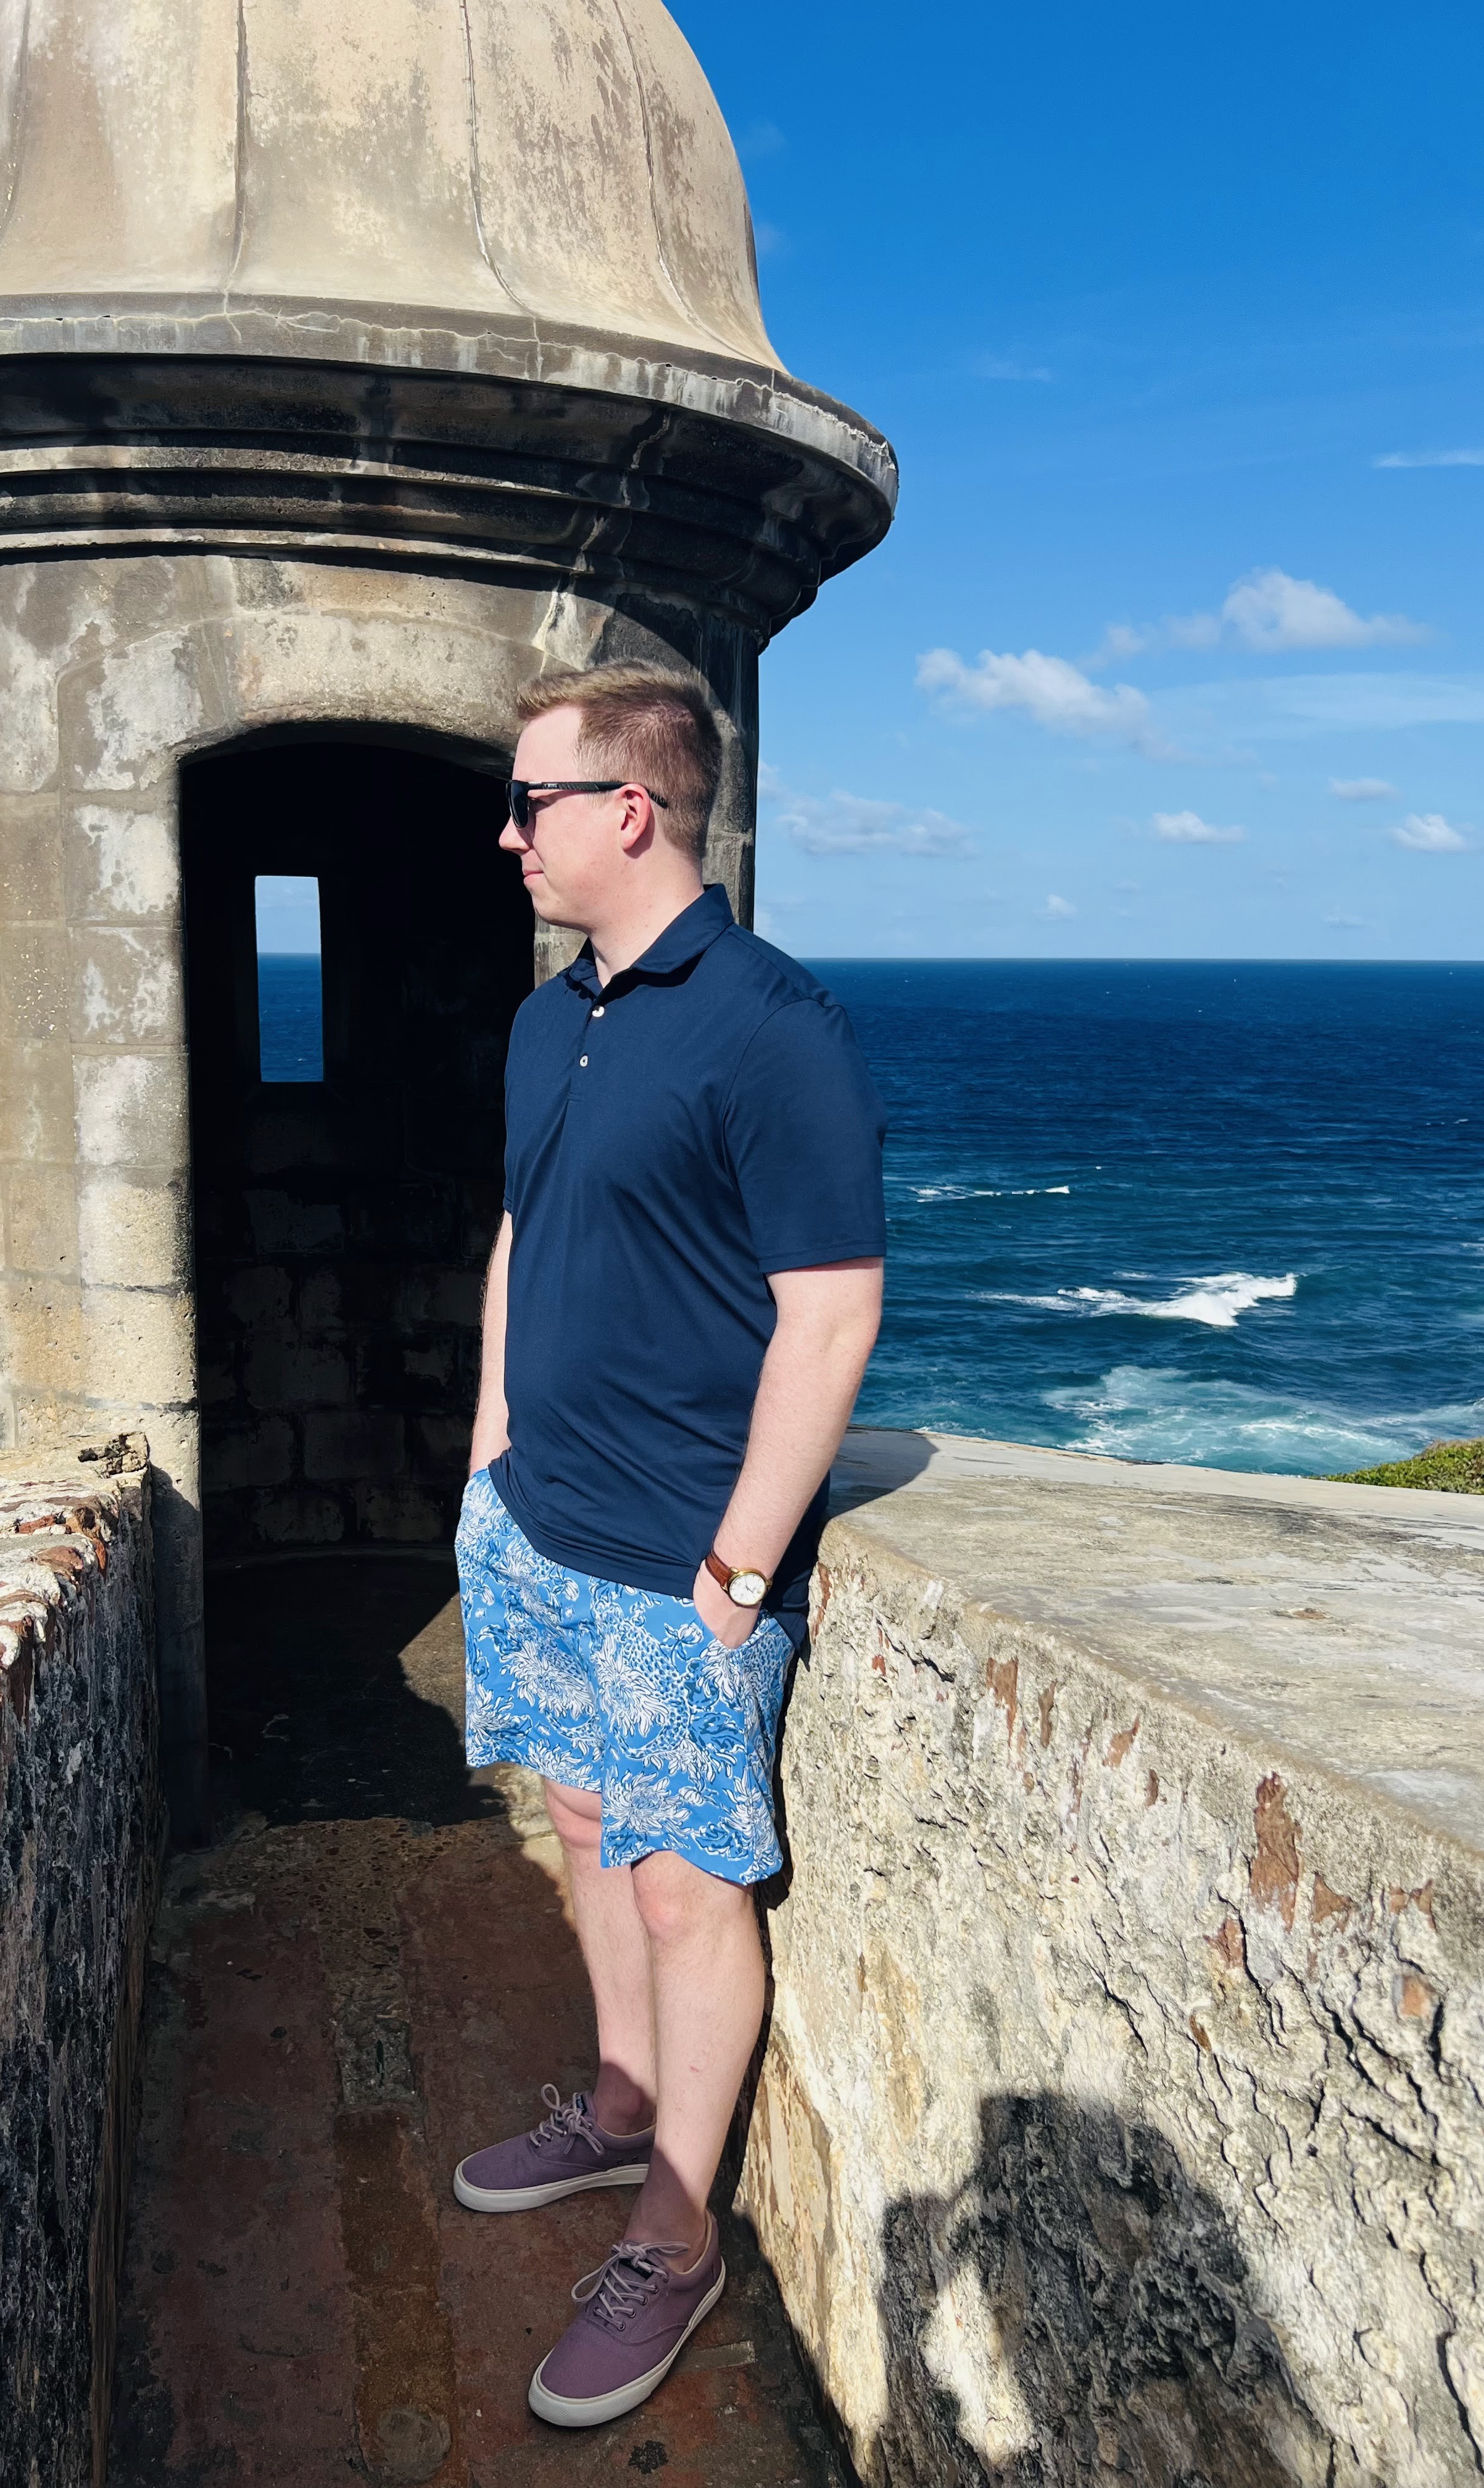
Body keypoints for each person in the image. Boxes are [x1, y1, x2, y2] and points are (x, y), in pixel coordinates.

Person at [450, 660, 887, 2430]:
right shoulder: (549, 1018)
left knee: (689, 1886)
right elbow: (519, 1226)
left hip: (673, 1558)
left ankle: (676, 2232)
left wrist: (736, 1574)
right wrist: (489, 1444)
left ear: (629, 809)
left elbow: (833, 1314)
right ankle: (618, 2100)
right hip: (539, 1523)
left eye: (530, 800)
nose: (508, 832)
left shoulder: (774, 1026)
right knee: (576, 1817)